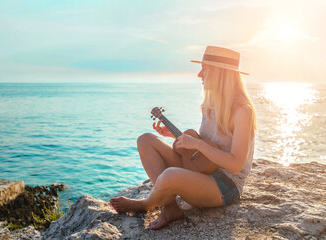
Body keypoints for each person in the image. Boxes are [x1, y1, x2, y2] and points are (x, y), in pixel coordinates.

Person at [109, 46, 257, 230]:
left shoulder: (242, 110)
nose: (199, 74)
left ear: (220, 74)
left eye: (205, 69)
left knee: (170, 176)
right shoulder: (209, 105)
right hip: (202, 169)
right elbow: (208, 142)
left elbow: (235, 163)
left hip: (224, 184)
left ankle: (145, 204)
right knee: (145, 140)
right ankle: (170, 208)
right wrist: (175, 136)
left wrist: (196, 144)